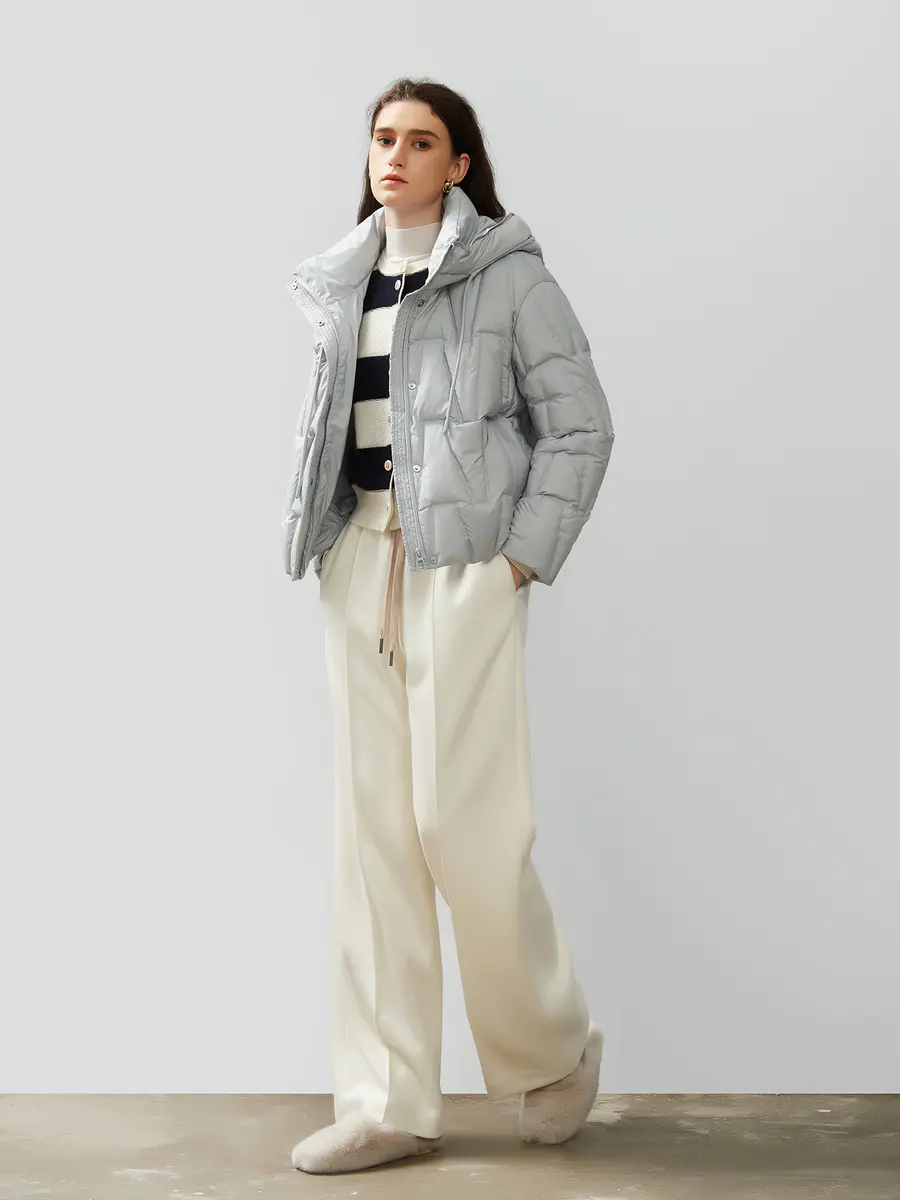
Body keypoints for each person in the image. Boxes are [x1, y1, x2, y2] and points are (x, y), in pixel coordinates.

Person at [282, 77, 615, 1175]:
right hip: (359, 560)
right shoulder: (343, 279)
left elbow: (581, 426)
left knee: (460, 823)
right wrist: (326, 542)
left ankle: (552, 1052)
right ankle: (385, 1102)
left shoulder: (508, 275)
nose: (395, 155)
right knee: (372, 836)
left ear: (459, 164)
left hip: (465, 566)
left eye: (420, 141)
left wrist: (517, 560)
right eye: (383, 138)